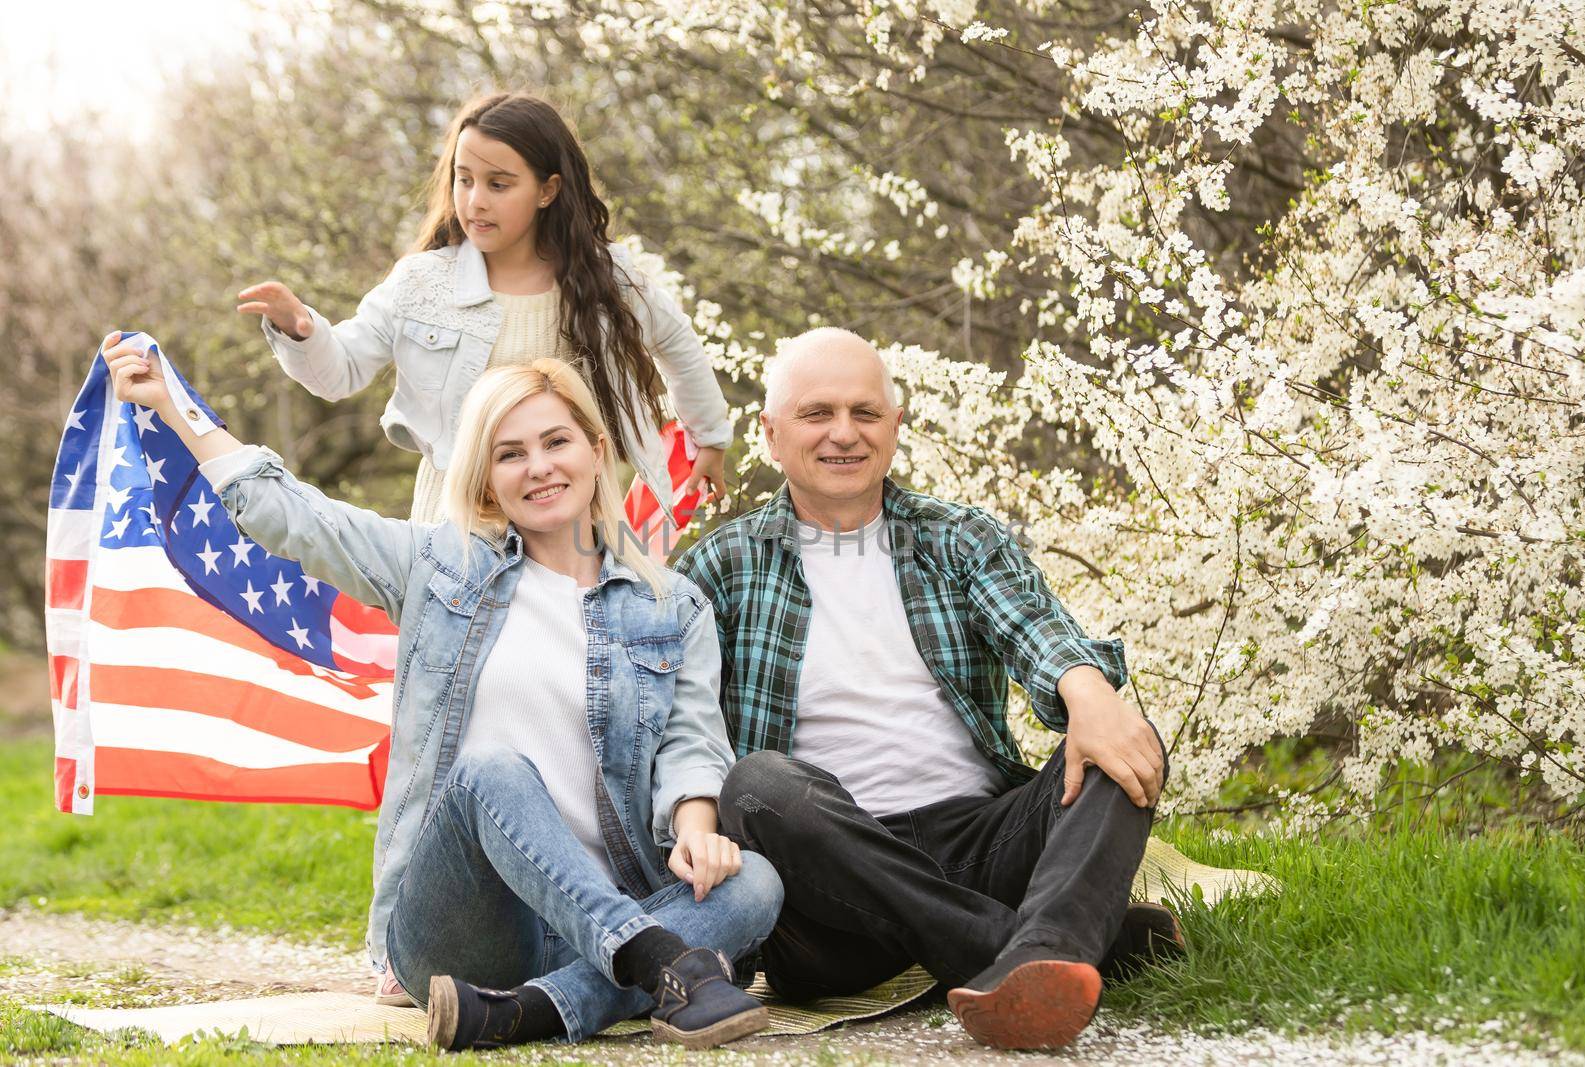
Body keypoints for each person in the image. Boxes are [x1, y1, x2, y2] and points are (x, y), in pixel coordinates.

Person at [102, 333, 782, 1051]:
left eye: (556, 441)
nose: (540, 466)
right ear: (486, 477)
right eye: (511, 452)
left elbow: (692, 741)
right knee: (492, 770)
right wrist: (174, 407)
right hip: (463, 928)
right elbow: (295, 516)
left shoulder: (671, 605)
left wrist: (699, 828)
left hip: (602, 911)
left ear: (596, 447)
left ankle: (528, 1012)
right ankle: (659, 961)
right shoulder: (438, 566)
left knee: (757, 881)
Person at [675, 328, 1180, 1050]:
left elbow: (1034, 627)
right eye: (817, 414)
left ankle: (1042, 949)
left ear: (895, 427)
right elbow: (679, 720)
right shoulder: (720, 566)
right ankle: (1031, 944)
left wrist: (1090, 694)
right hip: (828, 888)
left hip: (980, 841)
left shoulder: (958, 538)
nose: (843, 433)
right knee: (755, 783)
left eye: (866, 413)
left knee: (1123, 741)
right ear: (772, 433)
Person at [236, 91, 733, 525]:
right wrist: (300, 330)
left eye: (498, 184)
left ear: (548, 190)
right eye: (464, 178)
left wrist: (709, 439)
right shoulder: (423, 281)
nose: (475, 201)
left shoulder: (608, 281)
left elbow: (676, 342)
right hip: (458, 530)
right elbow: (339, 373)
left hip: (575, 528)